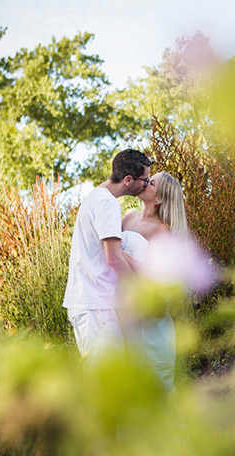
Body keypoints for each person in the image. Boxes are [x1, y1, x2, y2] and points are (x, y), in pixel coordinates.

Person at [62, 149, 153, 362]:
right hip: (96, 305)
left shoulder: (97, 197)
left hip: (94, 302)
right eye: (145, 180)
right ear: (128, 180)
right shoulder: (106, 203)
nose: (146, 184)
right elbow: (112, 257)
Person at [119, 172, 189, 390]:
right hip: (126, 314)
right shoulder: (128, 217)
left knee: (154, 389)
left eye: (150, 183)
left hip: (151, 324)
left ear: (158, 199)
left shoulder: (162, 232)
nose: (143, 182)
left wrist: (117, 256)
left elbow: (153, 276)